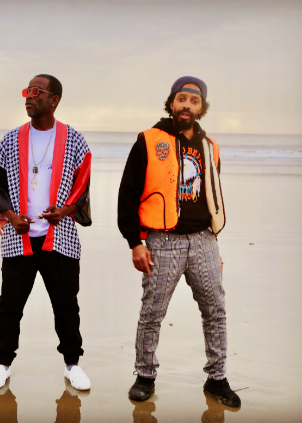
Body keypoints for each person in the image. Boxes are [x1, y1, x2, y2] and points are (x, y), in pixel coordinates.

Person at [117, 76, 241, 407]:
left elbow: (211, 194)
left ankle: (217, 378)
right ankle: (145, 376)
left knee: (215, 310)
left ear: (202, 107)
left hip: (204, 241)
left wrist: (214, 245)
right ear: (171, 103)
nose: (187, 105)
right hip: (162, 242)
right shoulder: (148, 140)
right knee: (152, 312)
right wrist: (135, 242)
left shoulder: (210, 147)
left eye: (194, 100)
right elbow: (127, 194)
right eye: (181, 99)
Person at [0, 74, 92, 391]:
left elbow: (83, 183)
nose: (29, 97)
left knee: (66, 306)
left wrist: (65, 211)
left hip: (60, 238)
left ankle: (72, 364)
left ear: (53, 99)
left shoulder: (74, 140)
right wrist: (10, 216)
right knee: (9, 306)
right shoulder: (10, 140)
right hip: (19, 239)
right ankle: (3, 363)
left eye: (36, 91)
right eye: (27, 91)